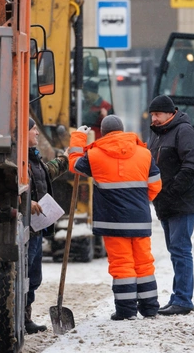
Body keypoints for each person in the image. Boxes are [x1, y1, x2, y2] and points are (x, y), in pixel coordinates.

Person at [69, 115, 162, 320]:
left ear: (102, 132)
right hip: (139, 219)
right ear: (122, 130)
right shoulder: (144, 154)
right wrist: (137, 202)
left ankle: (126, 311)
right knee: (144, 263)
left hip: (112, 221)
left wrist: (77, 139)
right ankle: (150, 308)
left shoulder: (94, 155)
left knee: (122, 264)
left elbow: (74, 165)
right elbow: (156, 184)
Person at [147, 95, 194, 316]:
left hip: (182, 202)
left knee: (181, 250)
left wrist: (171, 191)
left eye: (157, 114)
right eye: (152, 114)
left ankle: (183, 300)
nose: (154, 119)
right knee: (175, 251)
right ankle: (177, 296)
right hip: (166, 203)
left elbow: (193, 165)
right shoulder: (159, 135)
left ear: (171, 113)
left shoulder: (184, 131)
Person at [26, 117, 69, 333]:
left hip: (37, 227)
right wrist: (26, 202)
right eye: (33, 129)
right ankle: (22, 318)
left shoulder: (35, 160)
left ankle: (26, 317)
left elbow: (48, 172)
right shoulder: (19, 161)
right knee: (27, 275)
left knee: (34, 276)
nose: (36, 133)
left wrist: (66, 159)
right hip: (27, 228)